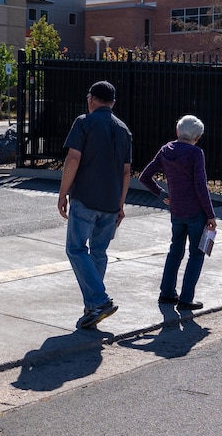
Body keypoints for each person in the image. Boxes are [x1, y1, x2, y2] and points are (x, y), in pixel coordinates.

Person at [58, 80, 132, 329]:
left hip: (86, 198)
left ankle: (99, 300)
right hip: (111, 203)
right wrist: (121, 204)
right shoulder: (123, 130)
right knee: (99, 253)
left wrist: (63, 193)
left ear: (91, 99)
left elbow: (73, 158)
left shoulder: (83, 122)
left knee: (76, 249)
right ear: (113, 102)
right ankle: (93, 307)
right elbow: (126, 172)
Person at [139, 115, 217, 311]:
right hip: (195, 211)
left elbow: (144, 177)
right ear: (197, 137)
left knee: (175, 251)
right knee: (196, 254)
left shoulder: (166, 150)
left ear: (177, 132)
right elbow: (201, 186)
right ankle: (186, 298)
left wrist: (161, 194)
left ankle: (167, 293)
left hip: (176, 211)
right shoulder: (195, 153)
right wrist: (210, 214)